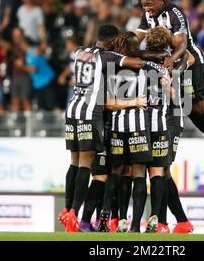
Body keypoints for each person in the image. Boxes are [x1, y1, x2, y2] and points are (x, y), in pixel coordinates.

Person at [58, 25, 169, 232]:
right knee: (87, 164)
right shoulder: (108, 58)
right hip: (92, 114)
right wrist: (156, 60)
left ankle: (67, 210)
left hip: (72, 109)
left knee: (75, 162)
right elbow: (135, 63)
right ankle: (74, 214)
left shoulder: (80, 51)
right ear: (111, 43)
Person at [136, 0, 204, 168]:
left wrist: (171, 61)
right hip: (173, 63)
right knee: (189, 107)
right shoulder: (147, 17)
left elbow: (182, 45)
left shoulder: (174, 12)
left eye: (149, 4)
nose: (146, 9)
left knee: (198, 106)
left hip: (190, 61)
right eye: (143, 5)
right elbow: (137, 39)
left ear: (160, 1)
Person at [145, 26, 194, 234]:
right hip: (162, 119)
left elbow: (184, 99)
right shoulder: (159, 63)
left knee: (162, 169)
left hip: (171, 120)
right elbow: (189, 57)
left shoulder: (174, 65)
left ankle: (166, 223)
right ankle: (179, 222)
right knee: (161, 171)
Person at [9, 28, 33, 112]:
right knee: (15, 101)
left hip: (25, 76)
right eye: (14, 35)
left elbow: (33, 60)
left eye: (18, 35)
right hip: (15, 76)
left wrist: (22, 65)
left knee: (25, 101)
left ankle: (29, 124)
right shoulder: (12, 47)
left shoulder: (27, 47)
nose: (16, 37)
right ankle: (17, 124)